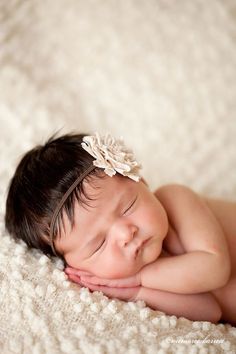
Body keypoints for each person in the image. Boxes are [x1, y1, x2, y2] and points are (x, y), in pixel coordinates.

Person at [5, 132, 236, 325]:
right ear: (75, 265)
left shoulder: (176, 199)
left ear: (140, 180)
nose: (126, 234)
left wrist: (140, 278)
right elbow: (210, 311)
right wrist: (135, 293)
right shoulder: (130, 280)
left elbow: (215, 267)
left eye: (128, 207)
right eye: (99, 244)